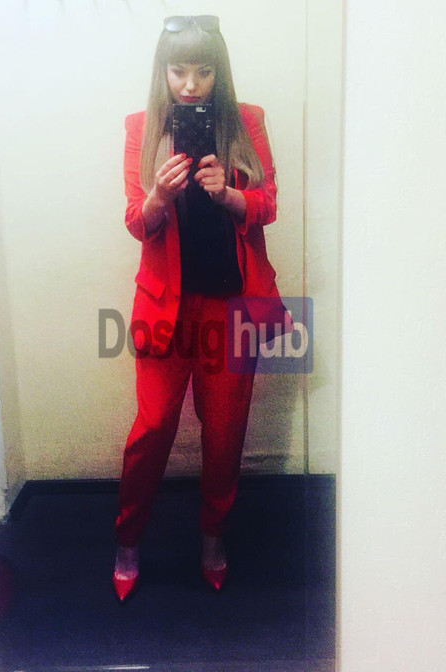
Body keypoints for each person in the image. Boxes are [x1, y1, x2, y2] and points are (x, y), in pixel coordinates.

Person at [113, 14, 292, 602]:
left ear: (220, 72)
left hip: (231, 310)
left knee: (224, 433)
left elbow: (268, 204)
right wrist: (160, 195)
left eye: (204, 70)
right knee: (152, 429)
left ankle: (213, 537)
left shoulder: (247, 122)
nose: (190, 84)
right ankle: (128, 539)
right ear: (162, 72)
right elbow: (138, 222)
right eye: (178, 70)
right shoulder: (141, 128)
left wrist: (230, 194)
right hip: (165, 309)